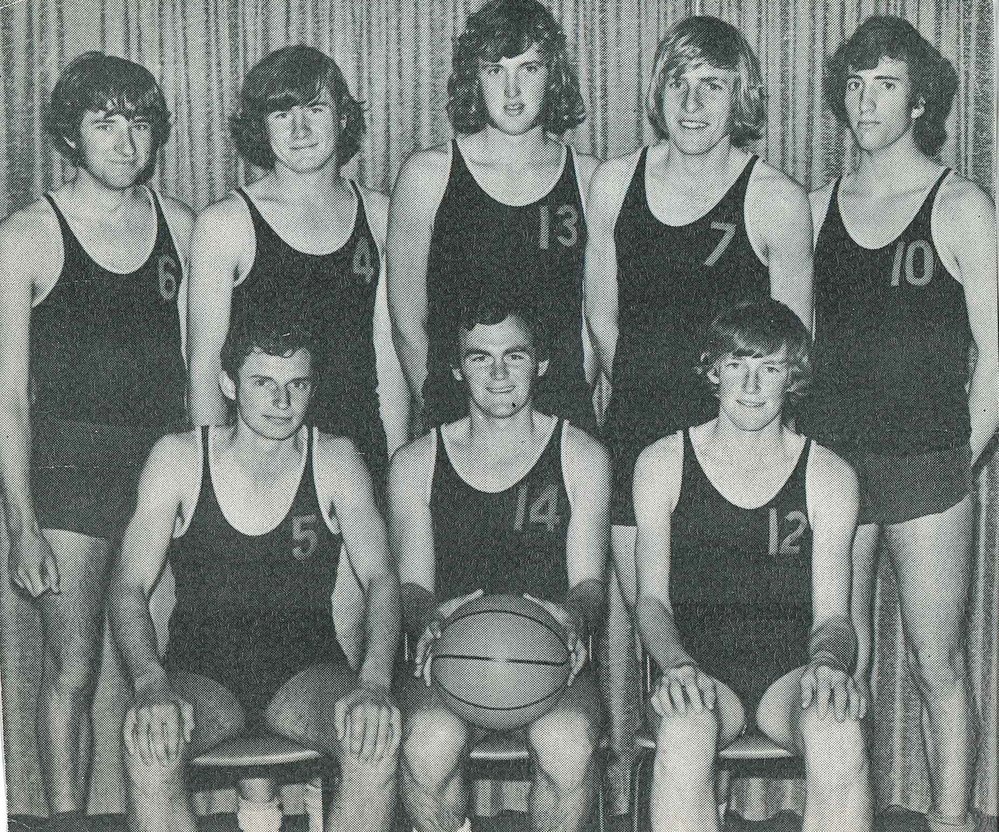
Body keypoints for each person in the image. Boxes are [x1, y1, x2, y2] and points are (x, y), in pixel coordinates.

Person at [799, 17, 998, 832]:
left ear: (919, 99)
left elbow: (995, 356)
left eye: (884, 83)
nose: (865, 99)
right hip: (833, 470)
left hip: (927, 469)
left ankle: (951, 823)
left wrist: (958, 457)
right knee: (841, 665)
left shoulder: (959, 205)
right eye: (853, 83)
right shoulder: (814, 208)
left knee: (936, 664)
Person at [0, 52, 193, 827]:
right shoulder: (26, 235)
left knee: (164, 667)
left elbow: (200, 370)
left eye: (139, 123)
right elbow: (7, 398)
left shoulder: (180, 225)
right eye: (104, 123)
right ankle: (70, 823)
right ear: (71, 137)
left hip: (160, 474)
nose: (124, 141)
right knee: (73, 669)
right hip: (68, 471)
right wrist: (23, 524)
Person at [109, 321, 401, 832]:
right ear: (229, 384)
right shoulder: (178, 459)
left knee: (371, 742)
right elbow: (129, 588)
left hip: (304, 670)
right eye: (264, 383)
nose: (283, 402)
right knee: (149, 747)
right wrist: (150, 681)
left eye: (297, 385)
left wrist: (375, 680)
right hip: (204, 671)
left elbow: (381, 580)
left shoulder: (336, 460)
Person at [583, 15, 813, 611]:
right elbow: (603, 323)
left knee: (722, 634)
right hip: (637, 432)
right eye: (678, 82)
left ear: (741, 96)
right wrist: (647, 392)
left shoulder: (775, 200)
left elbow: (792, 345)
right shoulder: (614, 183)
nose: (691, 102)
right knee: (650, 636)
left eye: (711, 85)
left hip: (736, 452)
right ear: (658, 91)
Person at [630, 299, 871, 832]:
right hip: (699, 668)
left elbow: (835, 616)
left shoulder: (829, 474)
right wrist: (675, 665)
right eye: (737, 365)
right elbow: (651, 602)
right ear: (713, 371)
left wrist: (829, 663)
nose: (752, 385)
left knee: (839, 730)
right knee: (684, 728)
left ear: (794, 378)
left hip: (790, 672)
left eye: (770, 368)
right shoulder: (662, 462)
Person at [390, 297, 609, 832]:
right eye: (480, 358)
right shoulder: (415, 462)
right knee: (426, 743)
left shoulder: (582, 456)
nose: (499, 374)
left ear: (541, 364)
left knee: (569, 743)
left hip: (550, 656)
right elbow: (413, 588)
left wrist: (573, 618)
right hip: (452, 655)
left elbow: (589, 586)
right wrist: (428, 620)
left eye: (515, 356)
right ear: (456, 368)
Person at [187, 44, 408, 490]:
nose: (301, 129)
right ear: (260, 127)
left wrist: (396, 473)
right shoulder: (225, 224)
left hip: (359, 453)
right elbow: (205, 374)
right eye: (282, 113)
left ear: (342, 116)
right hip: (260, 461)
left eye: (315, 108)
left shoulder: (383, 216)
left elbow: (390, 362)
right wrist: (213, 483)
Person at [388, 0, 599, 434]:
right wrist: (447, 414)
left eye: (529, 69)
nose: (512, 91)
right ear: (475, 78)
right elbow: (408, 320)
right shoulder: (427, 176)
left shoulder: (590, 177)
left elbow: (593, 318)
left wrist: (572, 407)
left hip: (561, 419)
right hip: (459, 420)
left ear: (553, 75)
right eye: (495, 70)